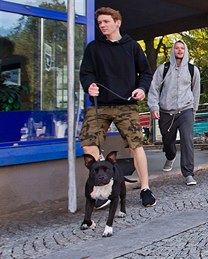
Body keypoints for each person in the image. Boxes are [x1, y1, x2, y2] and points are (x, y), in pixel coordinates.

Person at [79, 7, 155, 207]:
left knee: (135, 144)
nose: (102, 25)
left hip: (126, 105)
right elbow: (86, 73)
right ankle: (102, 191)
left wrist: (142, 89)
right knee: (88, 143)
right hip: (100, 105)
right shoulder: (94, 48)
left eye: (106, 21)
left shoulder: (132, 47)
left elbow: (146, 73)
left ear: (117, 22)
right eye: (100, 23)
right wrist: (89, 85)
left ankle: (145, 188)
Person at [147, 39, 201, 186]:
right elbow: (153, 89)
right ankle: (170, 156)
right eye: (176, 48)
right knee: (168, 141)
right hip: (166, 112)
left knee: (187, 140)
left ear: (185, 51)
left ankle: (188, 173)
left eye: (182, 48)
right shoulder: (163, 69)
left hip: (185, 110)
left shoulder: (192, 70)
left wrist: (193, 112)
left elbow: (196, 92)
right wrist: (154, 107)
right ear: (173, 50)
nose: (179, 51)